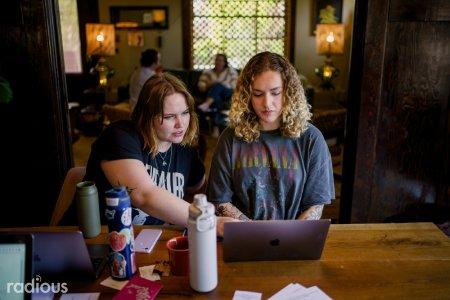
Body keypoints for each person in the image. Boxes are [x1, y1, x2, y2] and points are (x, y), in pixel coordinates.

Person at [82, 73, 235, 233]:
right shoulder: (120, 137)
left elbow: (204, 191)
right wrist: (211, 221)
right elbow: (144, 195)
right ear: (147, 116)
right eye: (169, 117)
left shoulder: (185, 151)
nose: (180, 124)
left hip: (155, 243)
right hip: (98, 241)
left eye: (185, 113)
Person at [207, 52, 335, 221]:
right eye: (258, 94)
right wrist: (257, 234)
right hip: (243, 238)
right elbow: (220, 201)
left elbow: (315, 204)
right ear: (247, 95)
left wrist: (291, 238)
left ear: (289, 91)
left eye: (275, 92)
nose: (267, 103)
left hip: (294, 241)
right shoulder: (230, 138)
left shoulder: (311, 138)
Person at [197, 54, 238, 134]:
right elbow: (201, 86)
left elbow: (235, 85)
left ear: (224, 62)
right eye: (216, 60)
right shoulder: (207, 72)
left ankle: (206, 104)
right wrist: (210, 84)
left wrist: (219, 83)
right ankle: (216, 127)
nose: (218, 62)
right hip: (214, 95)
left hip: (227, 93)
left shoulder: (231, 72)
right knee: (217, 98)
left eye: (220, 60)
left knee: (218, 85)